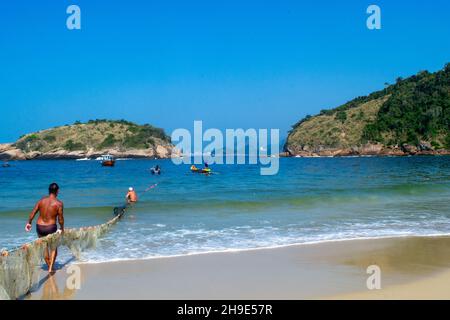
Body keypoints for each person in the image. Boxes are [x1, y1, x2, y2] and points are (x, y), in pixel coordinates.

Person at [25, 183, 64, 274]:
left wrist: (29, 223)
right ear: (57, 191)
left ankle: (49, 266)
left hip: (39, 227)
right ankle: (50, 268)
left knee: (44, 247)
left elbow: (33, 212)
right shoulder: (59, 203)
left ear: (49, 190)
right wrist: (62, 228)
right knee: (53, 248)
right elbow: (60, 219)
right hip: (51, 227)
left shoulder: (41, 201)